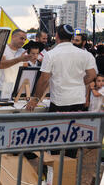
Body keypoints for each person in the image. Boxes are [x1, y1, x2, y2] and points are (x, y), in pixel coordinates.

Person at [26, 24, 96, 158]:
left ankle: (55, 169)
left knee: (55, 138)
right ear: (71, 37)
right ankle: (69, 168)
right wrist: (80, 83)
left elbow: (44, 79)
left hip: (59, 101)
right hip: (78, 100)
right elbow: (92, 75)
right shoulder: (85, 54)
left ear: (57, 36)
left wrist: (35, 99)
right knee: (73, 136)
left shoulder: (51, 54)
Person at [0, 29, 31, 101]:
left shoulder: (23, 51)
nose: (23, 41)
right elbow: (1, 65)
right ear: (13, 37)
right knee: (0, 111)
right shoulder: (3, 48)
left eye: (25, 39)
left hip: (14, 90)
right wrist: (19, 59)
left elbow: (24, 72)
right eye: (21, 38)